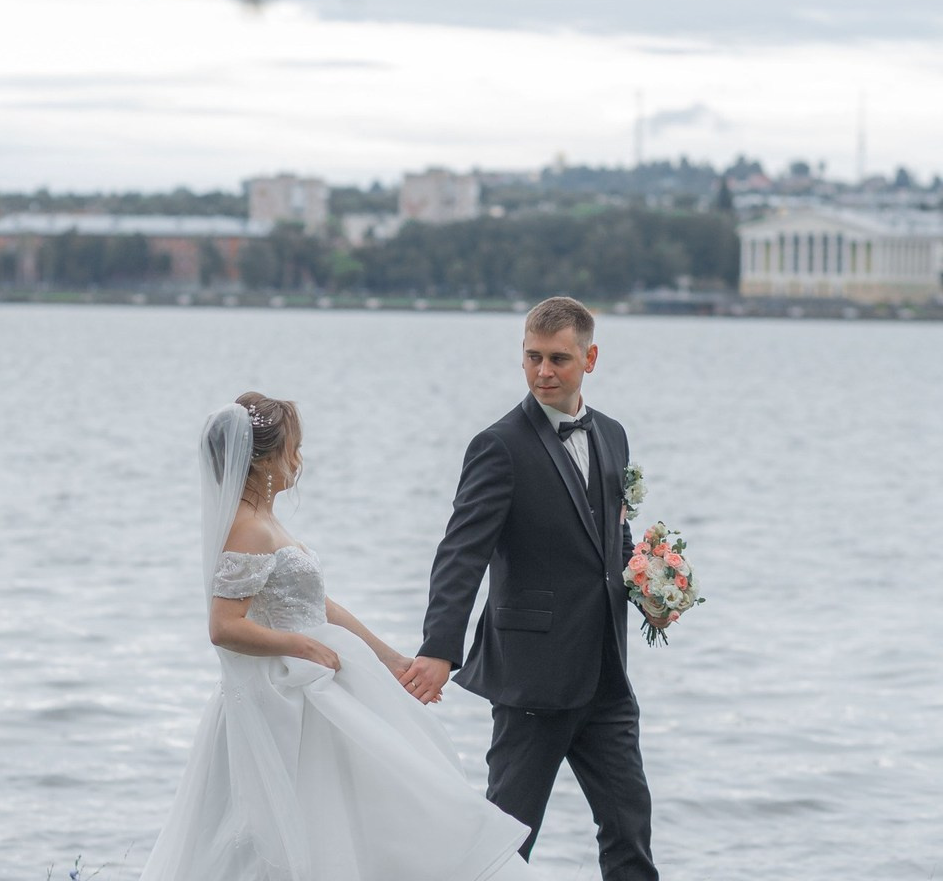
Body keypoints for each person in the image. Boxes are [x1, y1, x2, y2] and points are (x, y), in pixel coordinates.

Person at [138, 390, 538, 881]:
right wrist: (302, 645)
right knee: (306, 820)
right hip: (289, 698)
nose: (298, 461)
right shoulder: (247, 529)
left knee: (370, 808)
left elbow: (317, 604)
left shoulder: (266, 522)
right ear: (262, 460)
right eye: (293, 449)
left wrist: (391, 660)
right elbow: (224, 627)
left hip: (323, 684)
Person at [399, 297, 667, 880]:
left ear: (590, 358)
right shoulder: (499, 446)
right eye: (533, 358)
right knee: (506, 842)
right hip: (532, 681)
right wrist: (440, 648)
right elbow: (460, 553)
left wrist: (650, 586)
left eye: (558, 359)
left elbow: (609, 538)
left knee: (630, 830)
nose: (543, 371)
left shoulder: (614, 436)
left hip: (607, 679)